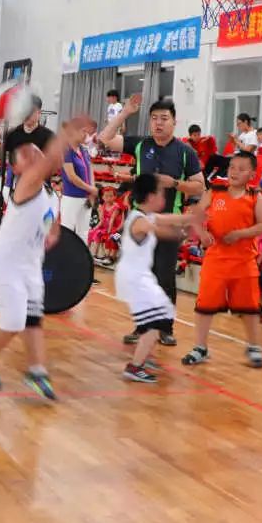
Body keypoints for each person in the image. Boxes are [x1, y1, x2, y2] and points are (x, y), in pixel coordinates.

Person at [0, 125, 79, 401]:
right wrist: (67, 135)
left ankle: (36, 370)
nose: (33, 156)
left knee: (32, 319)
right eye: (25, 155)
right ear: (16, 168)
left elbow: (51, 219)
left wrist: (52, 233)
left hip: (30, 266)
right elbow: (49, 162)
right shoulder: (25, 184)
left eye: (35, 151)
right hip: (6, 265)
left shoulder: (49, 194)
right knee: (14, 320)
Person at [99, 95, 204, 347]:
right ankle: (143, 326)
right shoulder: (140, 144)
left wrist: (175, 183)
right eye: (154, 118)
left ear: (174, 122)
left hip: (168, 222)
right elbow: (105, 138)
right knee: (141, 276)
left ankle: (165, 328)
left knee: (164, 276)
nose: (158, 123)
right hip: (140, 222)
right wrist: (126, 113)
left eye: (164, 118)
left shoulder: (185, 152)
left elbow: (200, 185)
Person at [181, 151, 262, 368]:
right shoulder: (215, 190)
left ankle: (254, 347)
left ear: (252, 174)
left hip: (244, 260)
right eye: (232, 167)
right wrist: (202, 233)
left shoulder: (255, 196)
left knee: (249, 307)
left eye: (241, 169)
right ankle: (200, 347)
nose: (234, 172)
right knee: (205, 305)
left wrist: (239, 234)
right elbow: (196, 215)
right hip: (216, 259)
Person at [116, 174, 196, 383]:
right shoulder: (140, 221)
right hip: (135, 278)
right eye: (161, 193)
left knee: (157, 317)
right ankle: (135, 366)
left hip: (137, 276)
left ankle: (141, 356)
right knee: (158, 317)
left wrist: (192, 218)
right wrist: (186, 233)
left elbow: (171, 219)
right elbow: (165, 232)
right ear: (151, 197)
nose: (164, 197)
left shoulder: (145, 215)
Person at [3, 95, 54, 194]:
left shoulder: (49, 136)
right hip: (16, 187)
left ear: (39, 113)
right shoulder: (13, 134)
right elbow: (10, 162)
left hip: (41, 189)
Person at [59, 120, 97, 242]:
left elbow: (90, 170)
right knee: (67, 231)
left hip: (86, 197)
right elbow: (72, 176)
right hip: (72, 197)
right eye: (83, 131)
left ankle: (82, 254)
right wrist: (90, 189)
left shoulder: (84, 150)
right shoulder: (66, 151)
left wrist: (92, 190)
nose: (85, 134)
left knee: (84, 232)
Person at [88, 187, 124, 265]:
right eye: (106, 196)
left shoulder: (116, 207)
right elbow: (101, 221)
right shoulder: (103, 206)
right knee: (95, 233)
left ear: (115, 197)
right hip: (105, 228)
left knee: (111, 237)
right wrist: (94, 228)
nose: (108, 198)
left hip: (116, 229)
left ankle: (110, 257)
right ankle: (94, 255)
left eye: (111, 196)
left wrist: (109, 232)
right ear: (103, 197)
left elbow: (112, 220)